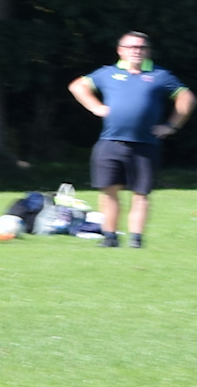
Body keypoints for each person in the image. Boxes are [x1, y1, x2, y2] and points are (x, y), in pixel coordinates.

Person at [68, 32, 192, 249]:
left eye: (141, 47)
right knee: (109, 191)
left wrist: (171, 126)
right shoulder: (107, 73)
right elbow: (77, 86)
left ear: (147, 51)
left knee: (141, 194)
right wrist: (95, 107)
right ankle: (110, 237)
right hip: (110, 142)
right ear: (120, 50)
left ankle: (136, 239)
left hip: (145, 144)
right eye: (132, 47)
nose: (137, 51)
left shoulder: (159, 75)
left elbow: (186, 97)